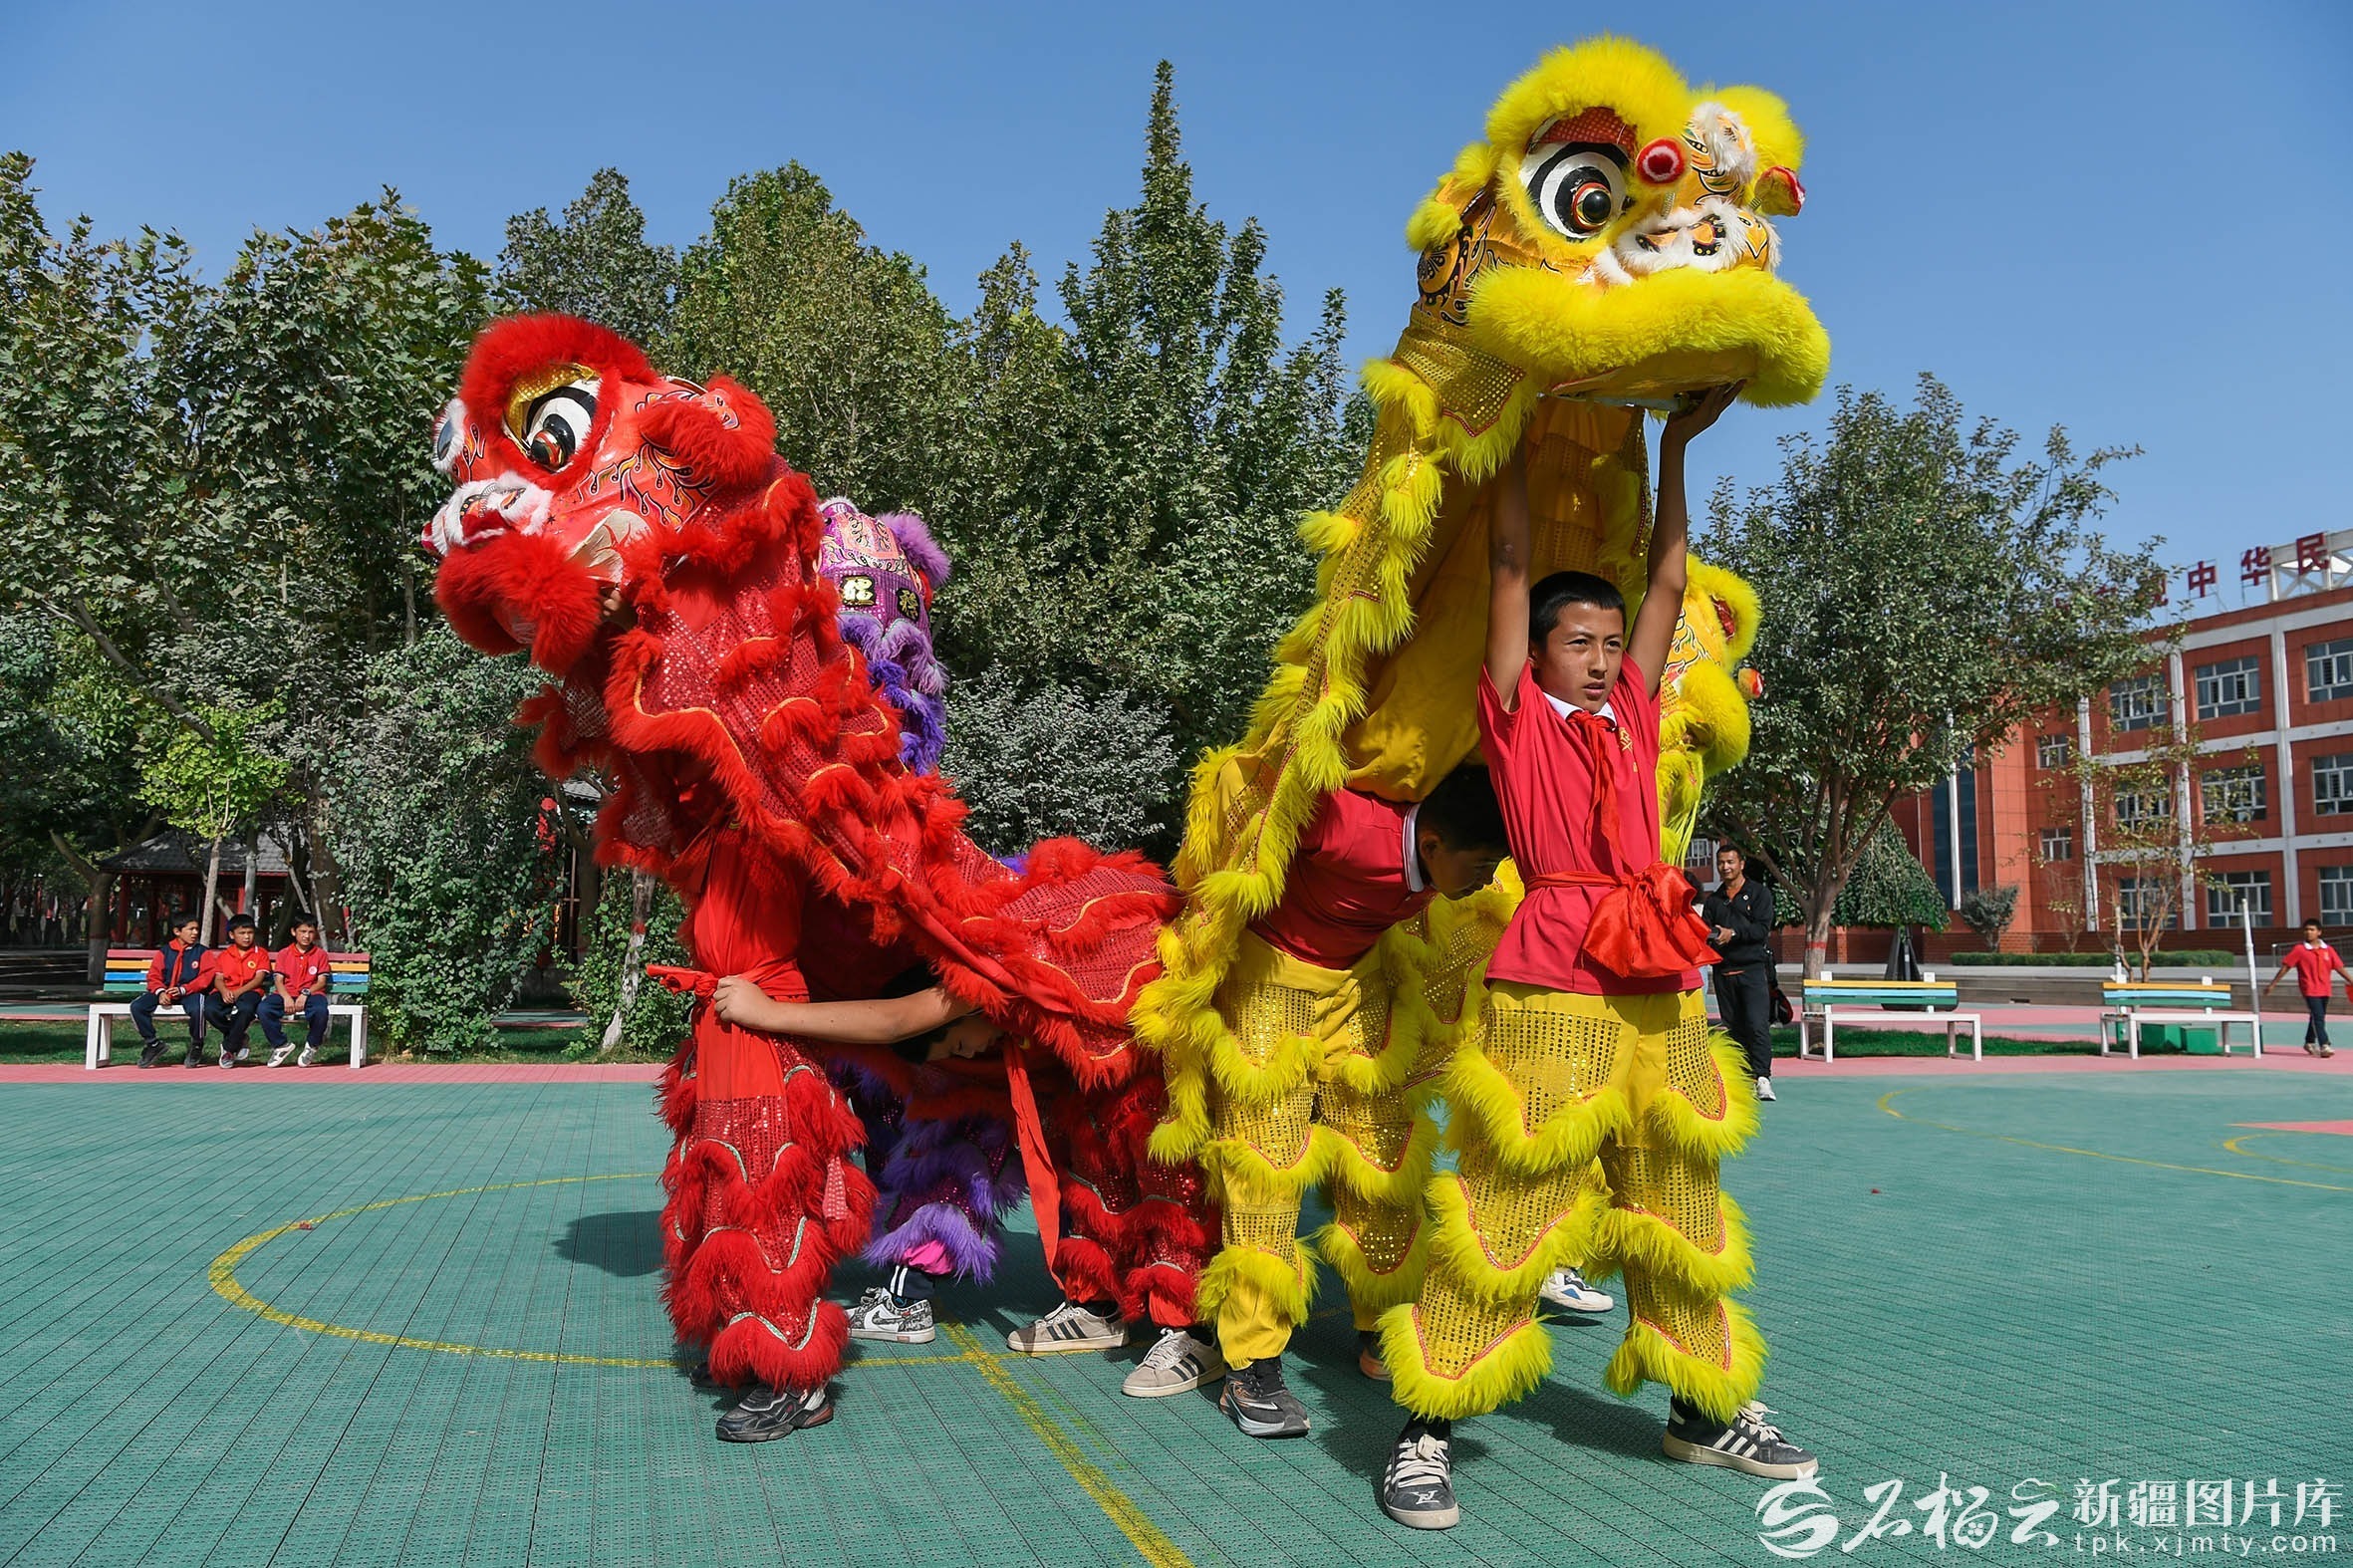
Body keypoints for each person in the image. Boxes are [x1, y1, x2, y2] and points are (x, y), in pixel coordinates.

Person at [1379, 387, 1818, 1532]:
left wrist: (1675, 445)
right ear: (1534, 651)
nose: (1599, 656)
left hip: (1658, 980)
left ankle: (1702, 1405)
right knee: (1511, 1202)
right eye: (1577, 640)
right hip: (1552, 981)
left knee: (1678, 1196)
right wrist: (1512, 438)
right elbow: (1511, 561)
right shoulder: (1517, 715)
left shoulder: (1631, 710)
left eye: (1611, 644)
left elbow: (1667, 580)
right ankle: (1424, 1426)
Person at [1197, 764, 1510, 1439]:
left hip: (1360, 980)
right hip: (1270, 980)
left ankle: (1382, 1324)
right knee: (1265, 1167)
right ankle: (1252, 1363)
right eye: (1483, 865)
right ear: (1434, 845)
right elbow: (1254, 778)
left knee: (1382, 1153)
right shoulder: (1345, 823)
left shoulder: (1447, 866)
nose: (1488, 878)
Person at [711, 972, 1001, 1349]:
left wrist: (765, 1012)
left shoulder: (984, 994)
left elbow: (897, 1019)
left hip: (958, 1127)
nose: (970, 1055)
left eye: (960, 1044)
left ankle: (905, 1304)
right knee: (903, 1167)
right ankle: (908, 1289)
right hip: (897, 1103)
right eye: (958, 1048)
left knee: (939, 1180)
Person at [1702, 845, 1778, 1100]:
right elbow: (1704, 933)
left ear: (1741, 864)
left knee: (1757, 1025)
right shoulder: (1713, 900)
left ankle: (1763, 1077)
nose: (1725, 867)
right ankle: (1743, 1078)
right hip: (1724, 973)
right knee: (1733, 1029)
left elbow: (1761, 930)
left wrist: (1733, 934)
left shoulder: (1759, 894)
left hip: (1753, 971)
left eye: (1730, 862)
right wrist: (1711, 938)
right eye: (1721, 862)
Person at [131, 913, 211, 1070]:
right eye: (191, 929)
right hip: (166, 991)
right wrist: (161, 992)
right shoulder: (165, 952)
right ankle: (153, 1044)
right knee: (137, 1006)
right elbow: (154, 975)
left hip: (190, 991)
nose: (195, 933)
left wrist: (184, 989)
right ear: (177, 931)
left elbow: (206, 976)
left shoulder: (202, 952)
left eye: (197, 929)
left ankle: (197, 1044)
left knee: (198, 1008)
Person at [2264, 919, 2346, 1058]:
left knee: (2317, 1016)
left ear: (2319, 932)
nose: (2308, 932)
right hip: (2309, 988)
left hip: (2325, 988)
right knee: (2318, 1017)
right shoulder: (2299, 950)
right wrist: (2273, 984)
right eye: (2306, 929)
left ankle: (2309, 1041)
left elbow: (2339, 968)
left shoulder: (2328, 950)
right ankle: (2325, 1045)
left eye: (2312, 930)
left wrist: (2351, 980)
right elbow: (2286, 967)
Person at [263, 915, 335, 1068]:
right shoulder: (284, 953)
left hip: (312, 994)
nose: (306, 936)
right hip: (286, 993)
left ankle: (312, 1045)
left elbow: (321, 982)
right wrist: (286, 997)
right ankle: (281, 1045)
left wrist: (305, 993)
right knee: (264, 1009)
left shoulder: (320, 954)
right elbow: (278, 980)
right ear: (293, 932)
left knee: (320, 1011)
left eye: (310, 932)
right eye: (302, 931)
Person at [203, 915, 270, 1069]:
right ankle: (239, 1036)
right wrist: (224, 991)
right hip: (226, 989)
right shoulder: (224, 956)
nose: (246, 937)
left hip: (250, 990)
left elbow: (258, 979)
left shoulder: (260, 954)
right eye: (242, 933)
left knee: (246, 1009)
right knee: (210, 1009)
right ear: (232, 935)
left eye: (250, 933)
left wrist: (238, 992)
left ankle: (229, 1049)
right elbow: (218, 978)